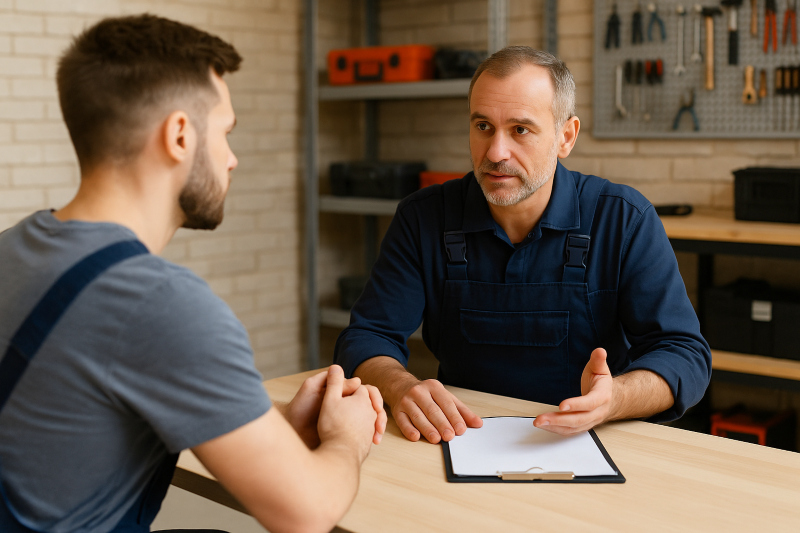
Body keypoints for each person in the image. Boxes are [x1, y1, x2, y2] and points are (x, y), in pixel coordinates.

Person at [0, 14, 386, 533]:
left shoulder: (16, 247)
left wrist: (267, 429)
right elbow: (306, 513)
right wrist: (349, 436)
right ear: (180, 135)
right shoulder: (158, 303)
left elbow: (74, 427)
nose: (231, 159)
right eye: (224, 132)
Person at [334, 46, 711, 444]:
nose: (496, 153)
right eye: (483, 127)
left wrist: (615, 398)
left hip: (589, 443)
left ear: (566, 136)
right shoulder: (423, 218)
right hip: (461, 439)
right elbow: (366, 337)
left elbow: (684, 354)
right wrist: (399, 387)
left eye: (520, 130)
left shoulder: (623, 219)